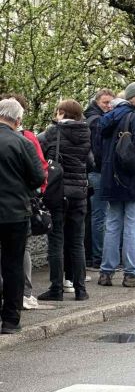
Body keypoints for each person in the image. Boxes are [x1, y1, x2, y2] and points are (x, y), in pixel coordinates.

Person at [98, 82, 135, 288]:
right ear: (130, 98)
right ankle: (131, 272)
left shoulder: (106, 119)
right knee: (132, 227)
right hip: (133, 180)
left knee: (112, 226)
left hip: (111, 180)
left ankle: (106, 272)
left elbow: (97, 151)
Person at [36, 99, 91, 301]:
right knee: (77, 242)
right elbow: (91, 161)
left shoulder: (53, 132)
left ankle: (56, 288)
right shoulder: (86, 132)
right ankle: (81, 289)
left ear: (61, 112)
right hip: (80, 193)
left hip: (58, 193)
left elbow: (36, 150)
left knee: (56, 241)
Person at [0, 98, 46, 333]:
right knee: (13, 266)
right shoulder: (22, 143)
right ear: (18, 120)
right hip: (14, 212)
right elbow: (39, 177)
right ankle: (9, 320)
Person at [84, 89, 114, 270]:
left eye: (111, 103)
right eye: (105, 103)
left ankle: (92, 256)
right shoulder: (97, 122)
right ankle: (98, 257)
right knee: (100, 216)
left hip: (93, 172)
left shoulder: (90, 118)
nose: (109, 106)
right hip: (98, 172)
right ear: (97, 102)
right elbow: (99, 149)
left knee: (94, 216)